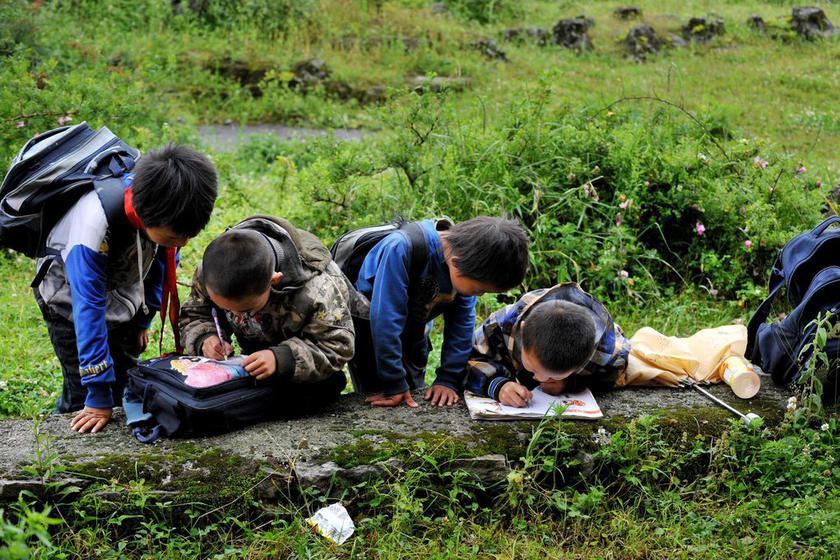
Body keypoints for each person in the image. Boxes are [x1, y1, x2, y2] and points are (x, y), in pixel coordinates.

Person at [34, 144, 218, 433]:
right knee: (82, 394)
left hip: (122, 288)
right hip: (69, 301)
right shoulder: (91, 226)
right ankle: (64, 431)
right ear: (147, 216)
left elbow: (161, 262)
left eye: (190, 236)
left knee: (126, 378)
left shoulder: (168, 212)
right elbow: (88, 308)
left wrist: (141, 321)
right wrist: (96, 394)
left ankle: (108, 393)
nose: (183, 243)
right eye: (175, 236)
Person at [179, 216, 363, 412]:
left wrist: (282, 359)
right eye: (225, 308)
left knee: (304, 400)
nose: (236, 316)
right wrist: (205, 338)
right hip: (254, 355)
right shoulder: (213, 271)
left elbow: (337, 345)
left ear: (274, 281)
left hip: (304, 368)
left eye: (245, 310)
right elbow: (195, 313)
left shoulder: (317, 289)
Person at [352, 216, 530, 408]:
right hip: (371, 337)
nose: (480, 294)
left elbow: (462, 326)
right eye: (480, 290)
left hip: (415, 331)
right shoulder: (401, 249)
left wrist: (448, 379)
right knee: (377, 394)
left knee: (413, 393)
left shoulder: (469, 262)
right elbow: (385, 321)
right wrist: (394, 382)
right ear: (456, 264)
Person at [464, 283, 630, 407]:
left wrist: (571, 383)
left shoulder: (608, 353)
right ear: (523, 331)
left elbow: (611, 375)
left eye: (554, 376)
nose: (540, 379)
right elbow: (468, 357)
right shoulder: (501, 326)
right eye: (533, 369)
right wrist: (497, 385)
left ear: (584, 361)